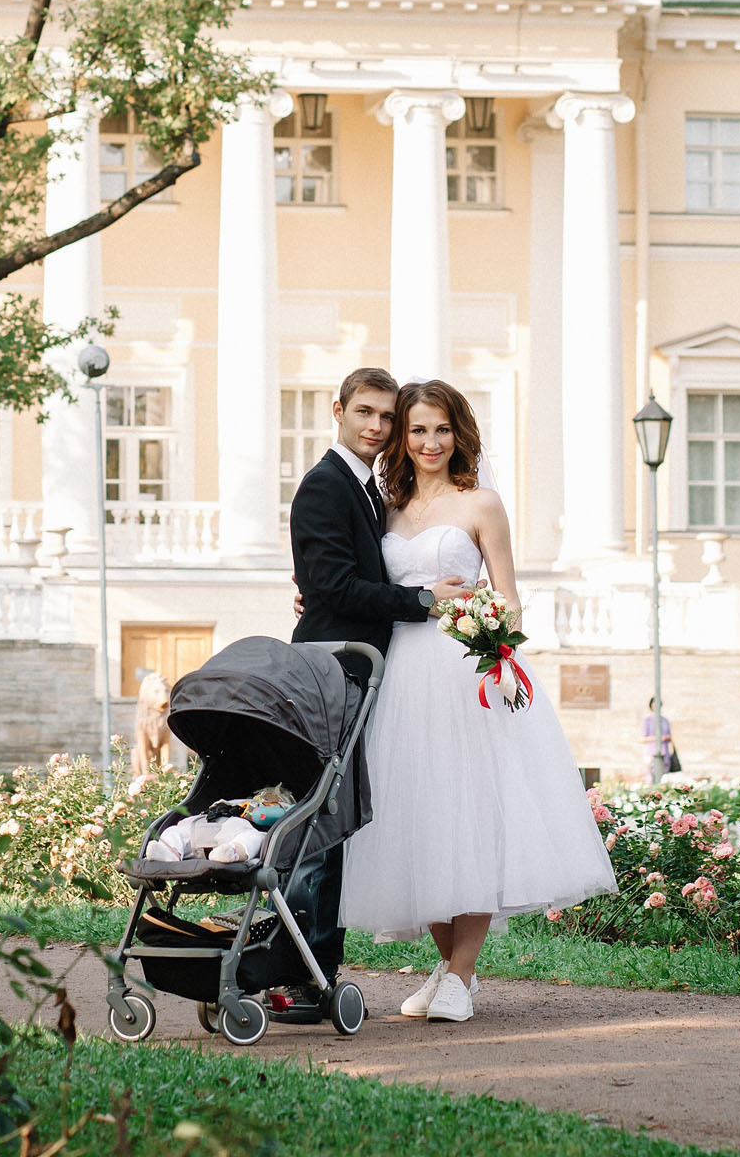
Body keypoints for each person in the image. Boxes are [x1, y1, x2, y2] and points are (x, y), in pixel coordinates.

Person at [338, 381, 615, 1023]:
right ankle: (447, 966)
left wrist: (492, 636)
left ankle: (462, 974)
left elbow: (510, 596)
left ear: (458, 434)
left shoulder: (481, 504)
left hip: (467, 674)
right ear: (402, 439)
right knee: (417, 820)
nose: (430, 443)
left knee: (470, 816)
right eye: (417, 431)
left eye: (441, 430)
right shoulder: (386, 506)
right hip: (400, 675)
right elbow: (365, 584)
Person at [283, 367, 470, 1011]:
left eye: (388, 418)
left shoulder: (370, 490)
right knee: (321, 826)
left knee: (335, 823)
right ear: (337, 409)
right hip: (333, 669)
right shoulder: (324, 486)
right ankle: (309, 976)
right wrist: (420, 599)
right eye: (365, 412)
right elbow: (333, 587)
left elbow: (338, 574)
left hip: (378, 669)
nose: (377, 427)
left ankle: (317, 971)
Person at [642, 698, 675, 785]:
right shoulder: (647, 720)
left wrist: (666, 739)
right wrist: (657, 738)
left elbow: (670, 736)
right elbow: (642, 738)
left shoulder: (665, 720)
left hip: (664, 751)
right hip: (651, 752)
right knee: (650, 777)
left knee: (664, 777)